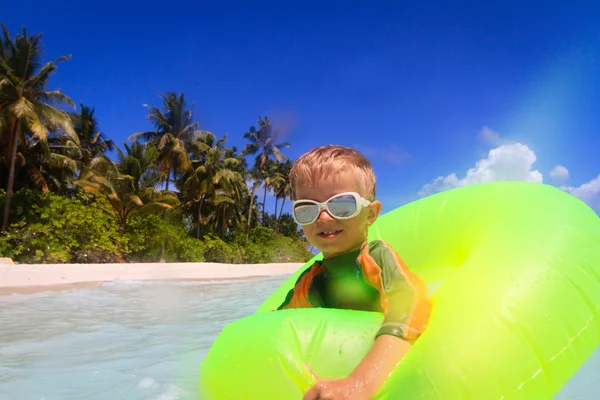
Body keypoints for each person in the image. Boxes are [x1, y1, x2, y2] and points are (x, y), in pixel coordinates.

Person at [277, 145, 431, 400]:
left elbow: (411, 305)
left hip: (383, 377)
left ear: (369, 214)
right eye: (307, 208)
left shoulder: (376, 259)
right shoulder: (310, 281)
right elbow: (276, 326)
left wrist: (360, 383)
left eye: (341, 204)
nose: (323, 217)